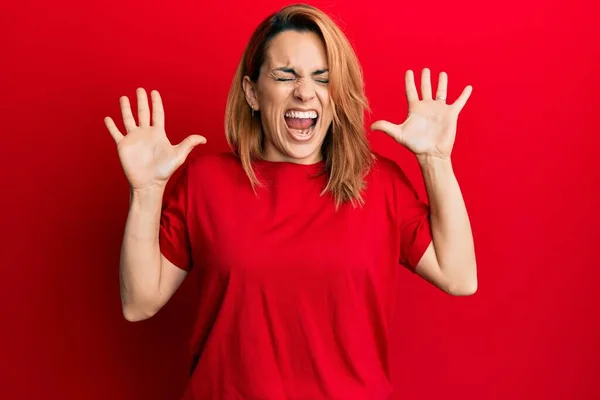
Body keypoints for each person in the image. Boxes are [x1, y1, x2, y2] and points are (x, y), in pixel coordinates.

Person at [104, 3, 477, 399]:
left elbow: (459, 276)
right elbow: (139, 302)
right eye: (285, 76)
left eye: (322, 78)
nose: (305, 91)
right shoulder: (205, 182)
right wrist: (145, 193)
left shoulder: (379, 183)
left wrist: (436, 162)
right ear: (252, 93)